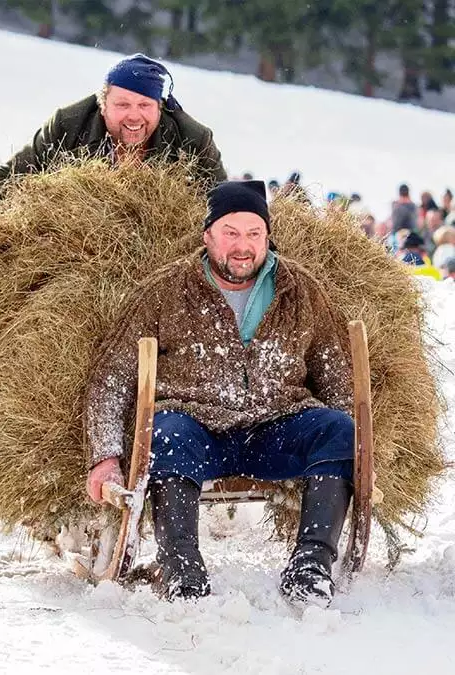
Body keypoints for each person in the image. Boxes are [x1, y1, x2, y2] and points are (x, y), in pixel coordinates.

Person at [84, 180, 354, 607]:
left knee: (339, 429)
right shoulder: (167, 290)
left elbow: (335, 373)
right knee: (164, 431)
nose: (242, 246)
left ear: (267, 236)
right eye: (230, 232)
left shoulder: (300, 290)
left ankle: (311, 567)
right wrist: (104, 456)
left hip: (276, 424)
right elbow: (112, 375)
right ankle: (182, 571)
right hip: (196, 428)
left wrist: (355, 451)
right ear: (208, 235)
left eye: (253, 233)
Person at [0, 54, 227, 211]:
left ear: (159, 108)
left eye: (145, 105)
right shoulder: (67, 126)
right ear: (103, 105)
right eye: (122, 105)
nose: (134, 116)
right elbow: (3, 181)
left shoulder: (194, 141)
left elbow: (226, 207)